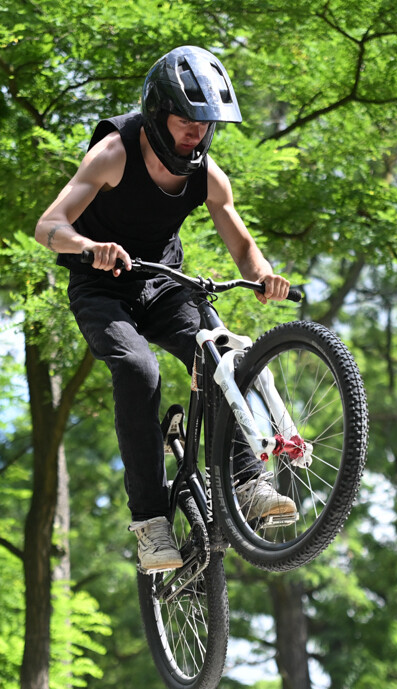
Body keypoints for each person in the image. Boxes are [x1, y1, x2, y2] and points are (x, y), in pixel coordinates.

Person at [34, 45, 296, 573]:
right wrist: (88, 247)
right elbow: (49, 227)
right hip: (101, 287)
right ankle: (151, 523)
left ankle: (247, 483)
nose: (194, 134)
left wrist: (263, 275)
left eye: (204, 124)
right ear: (157, 115)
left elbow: (243, 248)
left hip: (162, 283)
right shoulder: (114, 153)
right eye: (183, 121)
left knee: (221, 356)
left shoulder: (207, 174)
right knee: (138, 371)